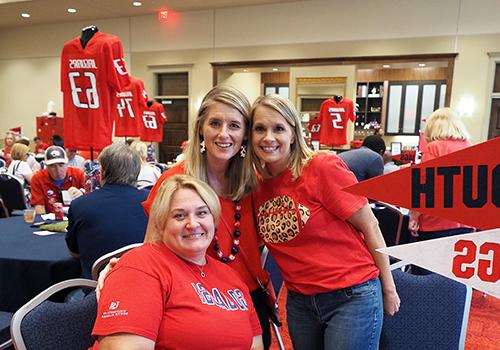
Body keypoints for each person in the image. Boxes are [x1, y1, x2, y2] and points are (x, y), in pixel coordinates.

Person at [99, 86, 273, 349]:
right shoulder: (175, 183)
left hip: (245, 301)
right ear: (201, 128)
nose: (224, 134)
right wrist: (122, 271)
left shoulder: (254, 183)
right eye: (215, 123)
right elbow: (152, 250)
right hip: (190, 305)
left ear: (245, 135)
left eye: (234, 125)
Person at [250, 94, 400, 350]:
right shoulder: (255, 185)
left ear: (294, 134)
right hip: (300, 301)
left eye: (279, 128)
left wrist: (389, 288)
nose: (268, 137)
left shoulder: (322, 167)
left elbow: (370, 226)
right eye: (260, 129)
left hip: (352, 295)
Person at [91, 175, 263, 349]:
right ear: (160, 223)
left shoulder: (230, 276)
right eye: (179, 216)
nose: (193, 224)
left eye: (202, 213)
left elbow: (255, 344)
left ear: (214, 219)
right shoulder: (140, 266)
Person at [66, 143, 149, 279]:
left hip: (96, 290)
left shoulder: (80, 205)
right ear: (137, 171)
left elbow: (74, 252)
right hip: (144, 284)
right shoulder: (153, 202)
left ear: (102, 172)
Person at [408, 107, 475, 242]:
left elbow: (424, 186)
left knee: (426, 262)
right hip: (467, 220)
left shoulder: (435, 148)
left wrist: (414, 216)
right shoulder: (470, 147)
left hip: (437, 222)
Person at [30, 146, 85, 214]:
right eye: (52, 166)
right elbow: (39, 208)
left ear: (67, 163)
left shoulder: (78, 175)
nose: (58, 170)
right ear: (46, 166)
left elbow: (94, 197)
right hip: (51, 220)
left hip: (77, 218)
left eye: (61, 165)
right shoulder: (38, 179)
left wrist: (82, 192)